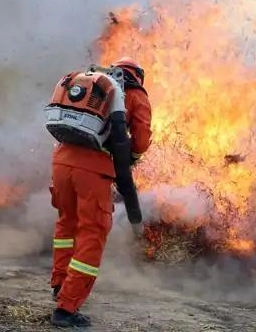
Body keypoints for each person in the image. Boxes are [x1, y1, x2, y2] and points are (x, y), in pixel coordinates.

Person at [45, 58, 152, 327]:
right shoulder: (134, 95)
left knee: (66, 224)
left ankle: (60, 285)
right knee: (92, 234)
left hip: (61, 161)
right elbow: (140, 140)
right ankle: (66, 309)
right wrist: (129, 159)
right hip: (92, 171)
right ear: (137, 77)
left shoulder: (88, 81)